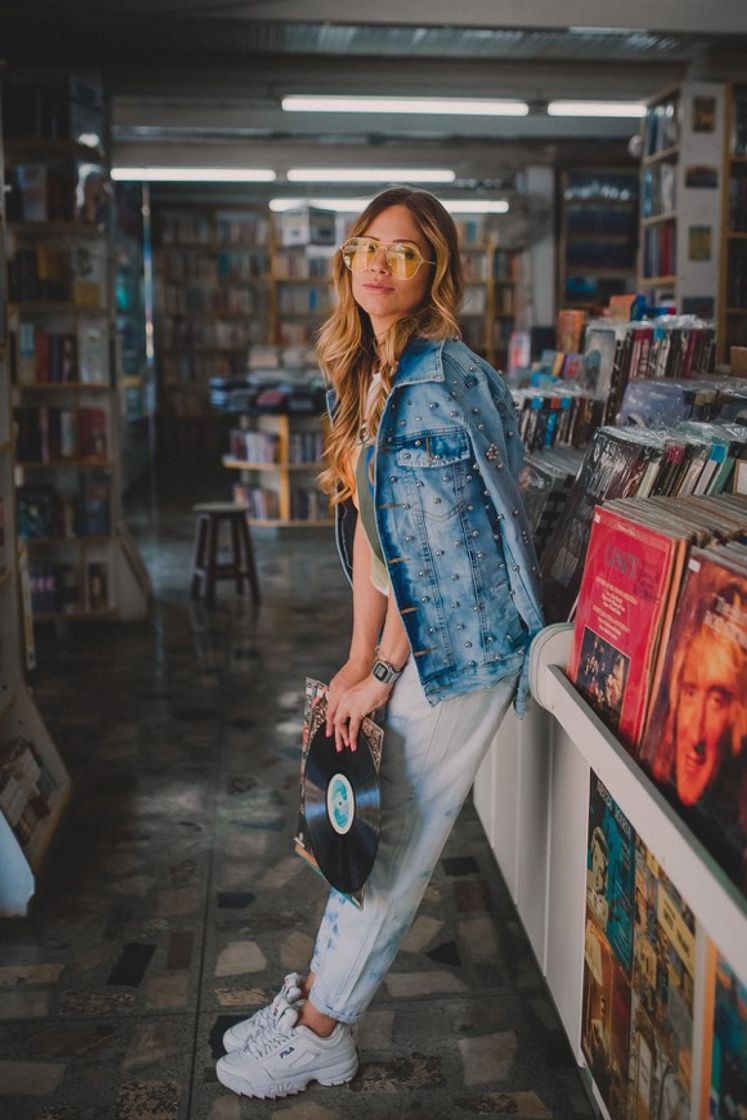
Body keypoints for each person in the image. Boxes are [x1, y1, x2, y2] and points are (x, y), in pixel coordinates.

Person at [216, 185, 544, 1100]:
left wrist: (387, 668)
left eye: (401, 251)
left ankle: (323, 1031)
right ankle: (315, 1000)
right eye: (365, 245)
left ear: (434, 269)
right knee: (360, 830)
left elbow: (439, 555)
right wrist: (357, 660)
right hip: (411, 643)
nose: (376, 263)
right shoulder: (371, 370)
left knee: (388, 851)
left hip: (462, 647)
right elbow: (375, 533)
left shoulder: (442, 382)